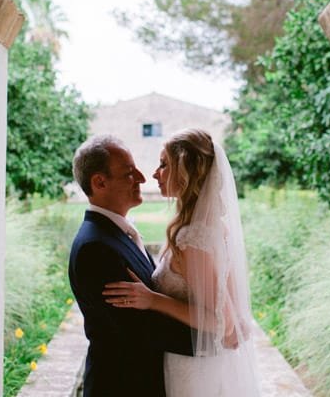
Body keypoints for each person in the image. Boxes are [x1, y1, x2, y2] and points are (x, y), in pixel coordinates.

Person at [103, 129, 261, 397]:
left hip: (193, 368)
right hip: (203, 361)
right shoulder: (211, 227)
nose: (154, 174)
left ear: (185, 171)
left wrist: (153, 300)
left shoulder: (192, 239)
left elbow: (225, 322)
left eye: (164, 164)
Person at [68, 135, 195, 397]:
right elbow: (143, 330)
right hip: (122, 385)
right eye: (129, 172)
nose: (141, 177)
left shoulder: (116, 233)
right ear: (99, 182)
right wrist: (212, 340)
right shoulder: (96, 248)